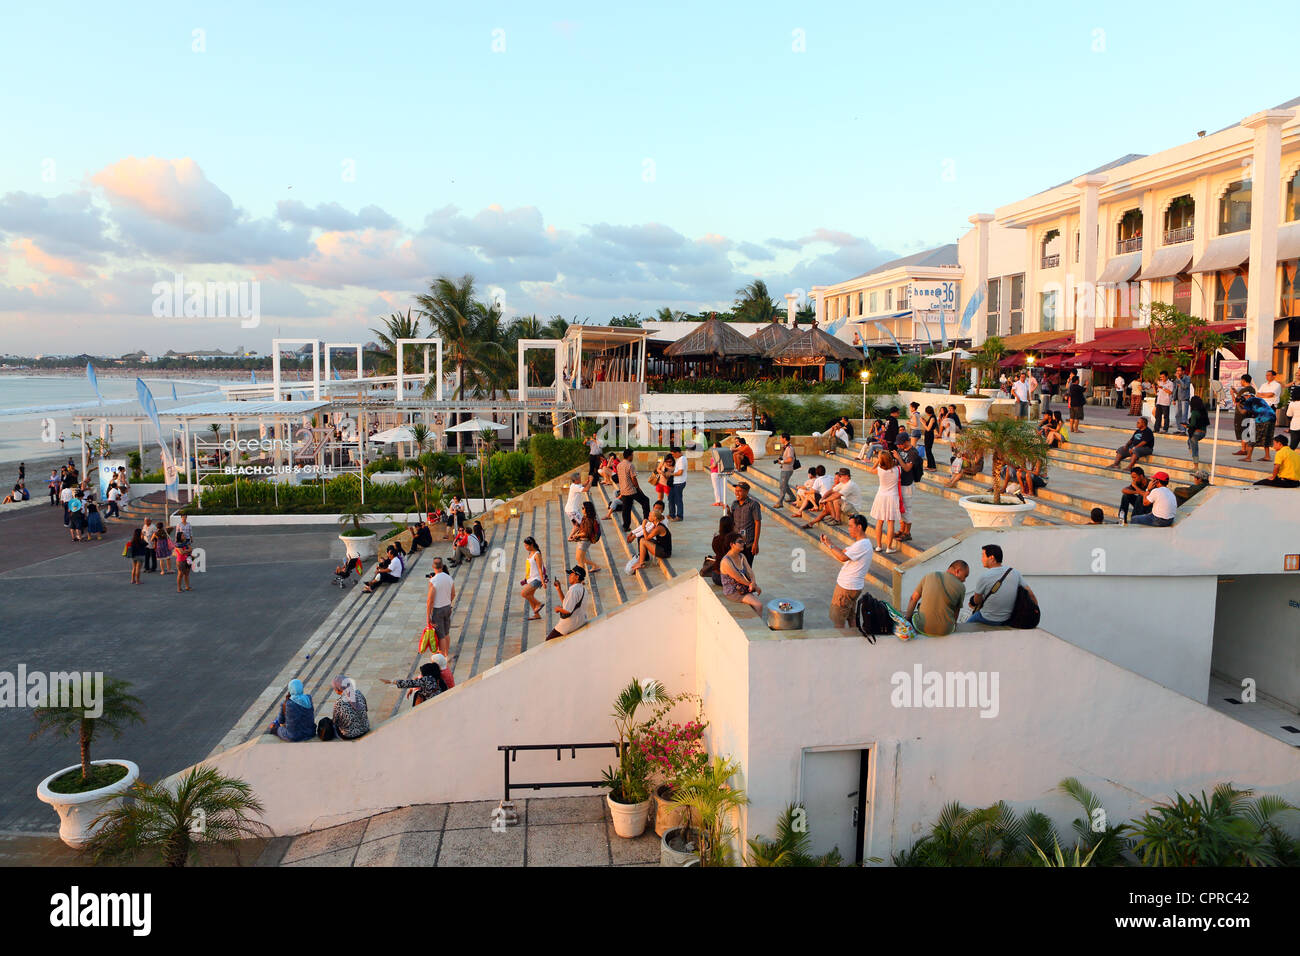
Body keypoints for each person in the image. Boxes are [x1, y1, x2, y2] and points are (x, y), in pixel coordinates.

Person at [820, 514, 873, 629]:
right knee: (851, 617)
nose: (848, 529)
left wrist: (829, 544)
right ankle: (854, 640)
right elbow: (843, 552)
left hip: (846, 588)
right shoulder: (862, 544)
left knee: (838, 620)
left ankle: (840, 645)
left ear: (859, 527)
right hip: (853, 587)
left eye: (850, 526)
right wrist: (828, 543)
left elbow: (842, 557)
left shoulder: (862, 545)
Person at [968, 544, 1033, 625]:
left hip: (987, 618)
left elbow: (977, 600)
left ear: (991, 558)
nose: (982, 559)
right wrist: (1035, 611)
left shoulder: (984, 577)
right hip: (1007, 619)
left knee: (966, 626)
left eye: (983, 556)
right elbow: (1031, 594)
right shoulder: (1014, 572)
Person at [903, 560, 970, 636]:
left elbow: (913, 598)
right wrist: (952, 626)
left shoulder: (929, 576)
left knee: (915, 614)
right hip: (945, 631)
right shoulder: (961, 587)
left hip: (921, 627)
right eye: (965, 576)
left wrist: (907, 619)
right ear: (957, 571)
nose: (964, 580)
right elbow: (956, 612)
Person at [717, 532, 763, 613]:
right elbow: (738, 578)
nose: (743, 544)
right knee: (758, 605)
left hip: (743, 587)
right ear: (732, 544)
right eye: (740, 542)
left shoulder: (741, 556)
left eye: (743, 542)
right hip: (733, 592)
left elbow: (750, 571)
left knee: (755, 603)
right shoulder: (726, 561)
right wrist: (754, 586)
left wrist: (754, 583)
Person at [869, 449, 903, 554]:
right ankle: (889, 547)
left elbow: (871, 470)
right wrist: (898, 458)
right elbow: (901, 466)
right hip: (892, 497)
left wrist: (877, 461)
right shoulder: (898, 469)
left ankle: (879, 546)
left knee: (879, 521)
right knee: (890, 522)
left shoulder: (880, 470)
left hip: (881, 496)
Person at [546, 566, 590, 640]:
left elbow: (567, 610)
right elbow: (567, 604)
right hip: (580, 621)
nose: (569, 576)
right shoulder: (582, 589)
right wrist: (558, 589)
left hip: (569, 624)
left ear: (577, 576)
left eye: (571, 574)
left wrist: (558, 609)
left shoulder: (574, 590)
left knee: (548, 641)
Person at [380, 661, 447, 707]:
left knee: (417, 694)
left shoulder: (427, 679)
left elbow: (410, 683)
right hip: (439, 699)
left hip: (431, 702)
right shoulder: (436, 677)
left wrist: (391, 681)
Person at [894, 435, 922, 543]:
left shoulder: (913, 452)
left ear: (906, 442)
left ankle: (907, 532)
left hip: (907, 484)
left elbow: (907, 468)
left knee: (907, 509)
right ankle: (902, 529)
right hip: (899, 483)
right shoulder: (899, 450)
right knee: (900, 508)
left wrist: (898, 458)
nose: (899, 445)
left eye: (900, 443)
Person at [616, 449, 651, 534]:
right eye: (632, 455)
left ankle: (626, 526)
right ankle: (646, 521)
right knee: (645, 501)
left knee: (626, 508)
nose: (633, 456)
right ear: (629, 456)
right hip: (631, 490)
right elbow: (633, 478)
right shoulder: (630, 465)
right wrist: (638, 488)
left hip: (623, 490)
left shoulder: (619, 465)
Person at [1236, 390, 1277, 462]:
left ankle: (1248, 457)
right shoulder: (1259, 399)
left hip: (1262, 419)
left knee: (1252, 437)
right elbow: (1256, 409)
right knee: (1266, 437)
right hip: (1272, 417)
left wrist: (1238, 405)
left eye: (1244, 396)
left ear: (1248, 396)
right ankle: (1267, 456)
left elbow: (1243, 412)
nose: (1244, 398)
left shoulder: (1249, 400)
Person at [727, 481, 762, 565]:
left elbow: (757, 523)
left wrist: (755, 543)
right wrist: (728, 512)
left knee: (747, 568)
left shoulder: (753, 505)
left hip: (748, 544)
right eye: (736, 490)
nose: (737, 493)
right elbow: (732, 521)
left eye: (740, 491)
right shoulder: (734, 504)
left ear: (746, 492)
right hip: (736, 544)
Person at [425, 557, 455, 653]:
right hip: (447, 608)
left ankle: (442, 655)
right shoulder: (449, 578)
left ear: (433, 567)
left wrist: (428, 616)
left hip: (438, 610)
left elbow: (430, 600)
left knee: (440, 635)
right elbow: (453, 594)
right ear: (442, 566)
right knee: (446, 633)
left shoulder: (433, 581)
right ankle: (446, 652)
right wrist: (447, 601)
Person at [569, 500, 603, 574]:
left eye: (583, 508)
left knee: (579, 559)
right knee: (580, 558)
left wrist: (576, 535)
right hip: (582, 540)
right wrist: (574, 536)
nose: (582, 509)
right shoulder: (585, 517)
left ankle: (581, 579)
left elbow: (586, 533)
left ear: (587, 509)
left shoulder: (588, 520)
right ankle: (595, 566)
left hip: (584, 541)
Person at [520, 536, 547, 621]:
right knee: (529, 595)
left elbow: (540, 568)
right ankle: (537, 614)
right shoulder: (530, 553)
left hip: (537, 579)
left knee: (524, 593)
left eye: (526, 546)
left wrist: (543, 582)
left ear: (531, 544)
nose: (525, 547)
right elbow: (530, 567)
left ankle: (538, 604)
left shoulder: (537, 554)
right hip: (530, 578)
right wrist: (526, 578)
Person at [1185, 395, 1210, 471]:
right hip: (1203, 432)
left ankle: (1196, 466)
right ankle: (1194, 457)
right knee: (1189, 442)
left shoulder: (1194, 412)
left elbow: (1192, 424)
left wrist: (1186, 426)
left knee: (1194, 448)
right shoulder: (1203, 411)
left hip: (1196, 433)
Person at [773, 433, 797, 509]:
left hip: (787, 469)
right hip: (785, 468)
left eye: (781, 438)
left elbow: (790, 459)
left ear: (784, 438)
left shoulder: (789, 448)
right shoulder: (786, 447)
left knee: (782, 486)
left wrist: (782, 462)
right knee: (784, 485)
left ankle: (780, 502)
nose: (780, 439)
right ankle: (792, 497)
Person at [668, 445, 686, 522]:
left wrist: (671, 474)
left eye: (673, 454)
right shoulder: (679, 459)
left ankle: (679, 516)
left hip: (679, 483)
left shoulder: (682, 459)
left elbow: (680, 472)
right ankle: (672, 514)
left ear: (678, 452)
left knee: (678, 500)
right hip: (676, 482)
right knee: (671, 498)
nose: (673, 456)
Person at [1172, 365, 1192, 433]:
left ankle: (1183, 430)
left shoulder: (1187, 378)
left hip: (1184, 399)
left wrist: (1179, 379)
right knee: (1177, 415)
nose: (1177, 372)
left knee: (1184, 415)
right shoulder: (1176, 379)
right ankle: (1179, 429)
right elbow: (1175, 389)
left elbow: (1185, 386)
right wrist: (1173, 399)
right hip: (1177, 399)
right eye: (1177, 370)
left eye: (1179, 370)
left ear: (1183, 371)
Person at [707, 443, 727, 507]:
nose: (713, 447)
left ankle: (718, 501)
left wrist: (710, 467)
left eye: (713, 446)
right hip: (721, 472)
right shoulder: (722, 453)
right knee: (721, 487)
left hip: (715, 472)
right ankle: (721, 501)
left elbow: (714, 464)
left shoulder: (715, 453)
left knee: (716, 487)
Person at [921, 406, 938, 470]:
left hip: (929, 435)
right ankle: (929, 465)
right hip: (928, 435)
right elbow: (928, 425)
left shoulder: (932, 418)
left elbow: (928, 428)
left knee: (929, 451)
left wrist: (923, 423)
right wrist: (924, 421)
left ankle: (933, 466)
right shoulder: (931, 417)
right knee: (927, 451)